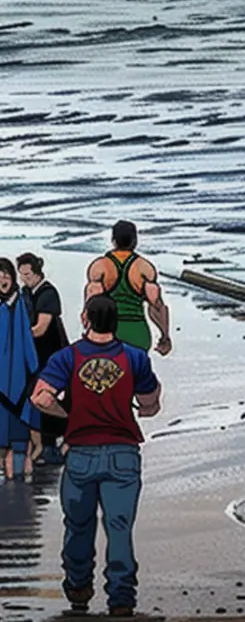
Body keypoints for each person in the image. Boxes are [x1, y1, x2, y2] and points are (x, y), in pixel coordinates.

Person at [31, 295, 161, 618]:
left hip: (81, 454)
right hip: (123, 454)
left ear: (85, 319)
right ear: (115, 322)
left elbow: (40, 397)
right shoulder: (134, 358)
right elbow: (151, 400)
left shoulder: (67, 357)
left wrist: (68, 413)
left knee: (78, 526)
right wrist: (143, 409)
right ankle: (121, 598)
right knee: (119, 528)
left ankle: (78, 588)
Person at [83, 221, 171, 355]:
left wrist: (89, 334)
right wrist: (165, 336)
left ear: (113, 241)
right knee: (137, 372)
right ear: (135, 241)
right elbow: (157, 306)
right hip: (138, 333)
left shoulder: (100, 266)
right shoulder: (144, 267)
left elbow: (91, 305)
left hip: (108, 333)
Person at [17, 252, 69, 465]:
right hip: (32, 354)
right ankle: (40, 442)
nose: (25, 279)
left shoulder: (48, 293)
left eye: (28, 274)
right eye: (22, 275)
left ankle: (52, 442)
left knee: (43, 395)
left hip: (51, 352)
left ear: (37, 272)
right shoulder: (25, 292)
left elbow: (40, 328)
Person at [0, 257, 39, 480]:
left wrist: (34, 373)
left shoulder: (18, 303)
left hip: (17, 380)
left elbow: (26, 340)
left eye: (6, 274)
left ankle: (17, 487)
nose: (3, 278)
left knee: (17, 435)